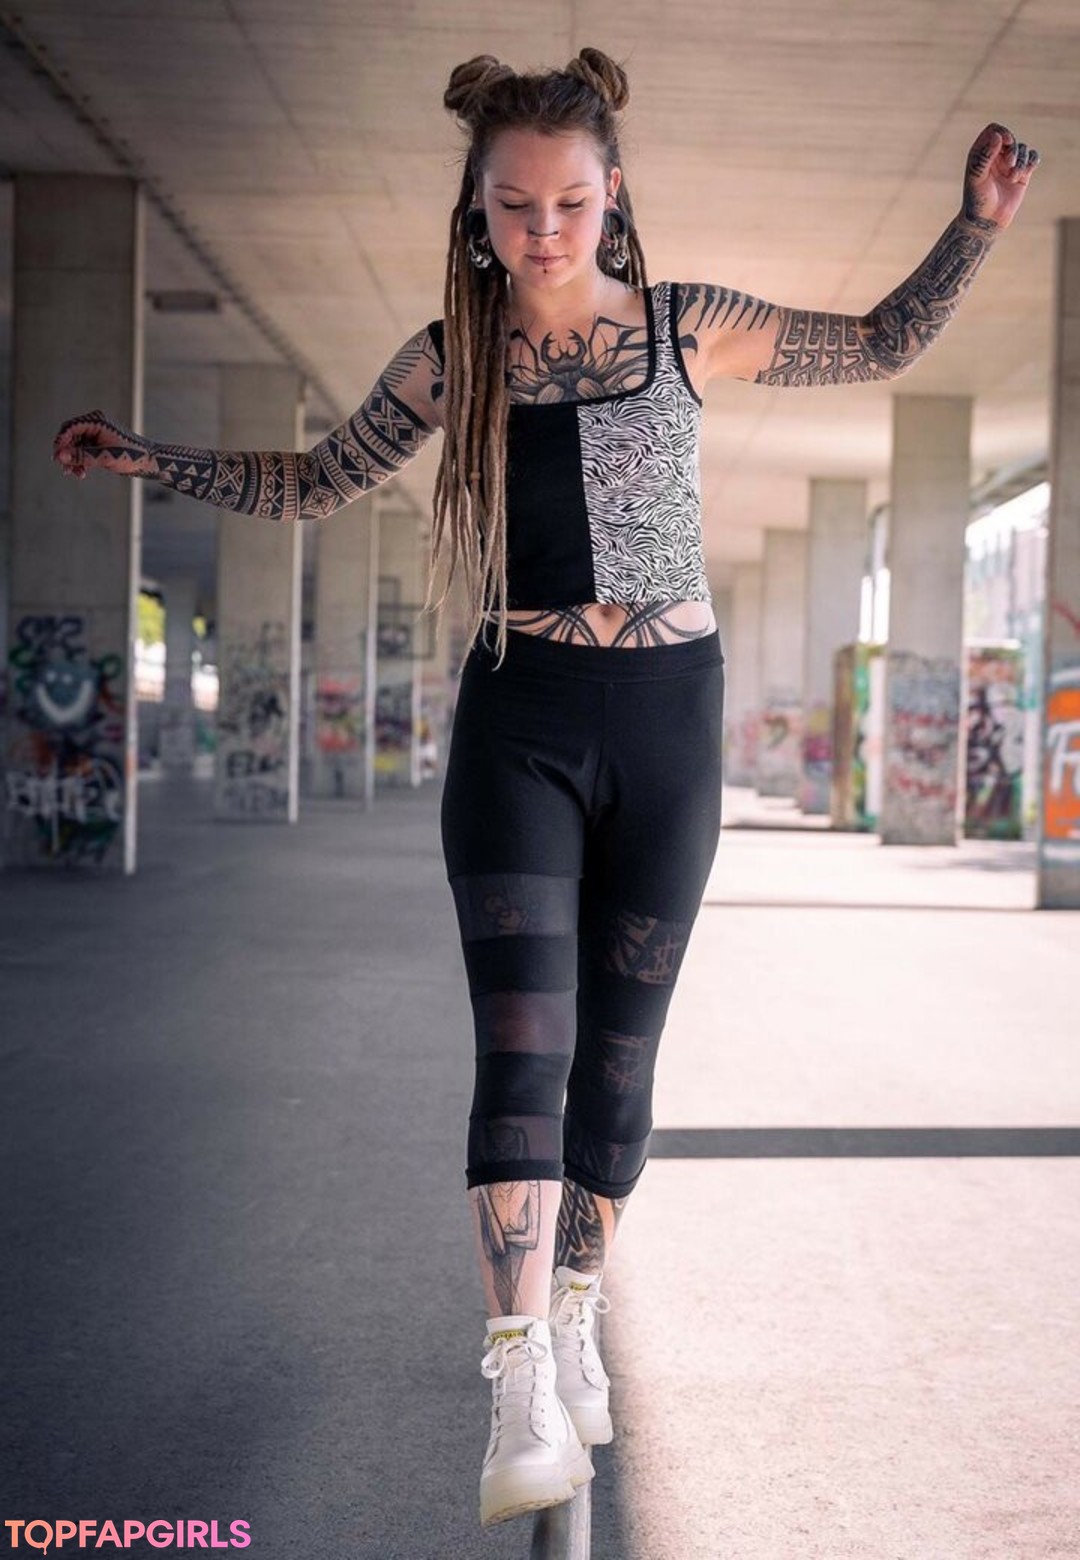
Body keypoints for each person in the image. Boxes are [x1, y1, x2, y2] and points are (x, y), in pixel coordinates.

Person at [52, 47, 1039, 1531]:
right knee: (525, 1049)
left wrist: (973, 227)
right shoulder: (450, 361)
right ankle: (516, 1370)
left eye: (571, 202)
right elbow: (316, 481)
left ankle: (577, 1309)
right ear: (479, 208)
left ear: (612, 196)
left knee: (620, 1074)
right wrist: (150, 459)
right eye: (515, 205)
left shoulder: (688, 329)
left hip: (667, 720)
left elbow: (882, 341)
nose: (545, 229)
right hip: (520, 716)